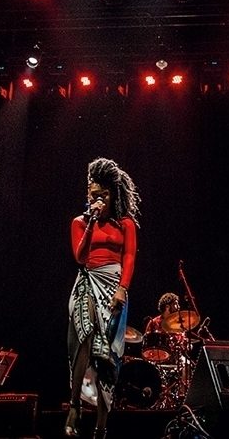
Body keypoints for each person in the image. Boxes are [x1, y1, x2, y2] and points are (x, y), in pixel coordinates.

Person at [66, 157, 141, 439]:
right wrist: (90, 223)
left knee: (109, 357)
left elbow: (129, 257)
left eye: (103, 194)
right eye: (92, 194)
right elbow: (80, 256)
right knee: (84, 335)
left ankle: (101, 425)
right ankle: (74, 405)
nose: (97, 199)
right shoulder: (78, 222)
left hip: (114, 284)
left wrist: (123, 289)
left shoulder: (125, 224)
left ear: (113, 194)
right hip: (87, 281)